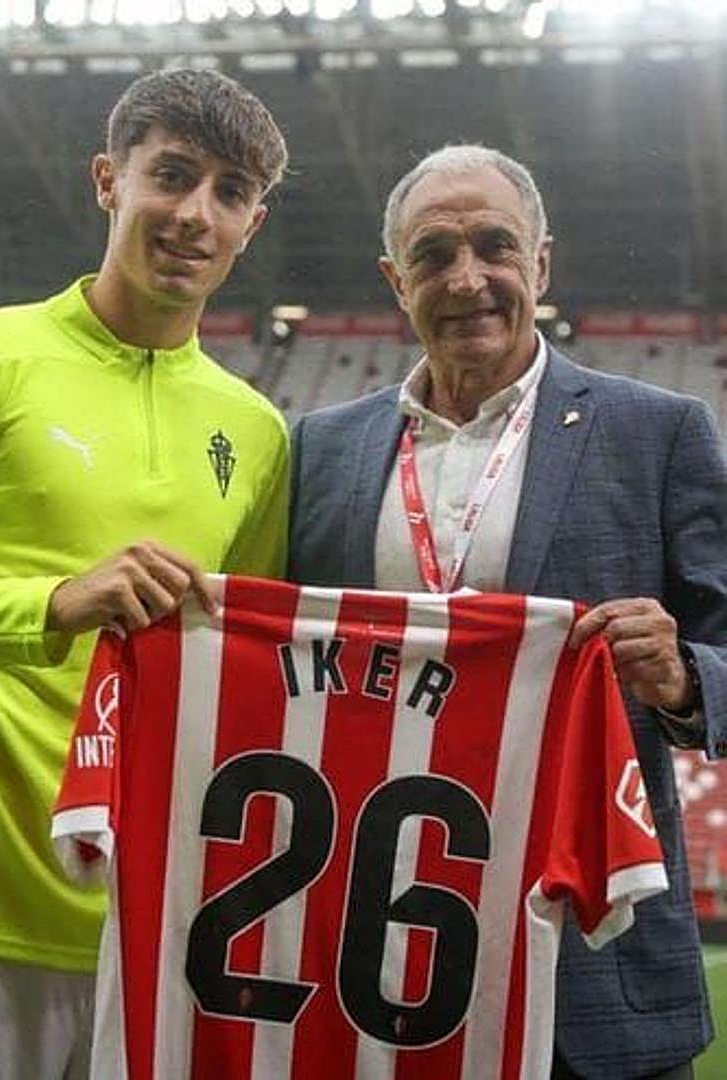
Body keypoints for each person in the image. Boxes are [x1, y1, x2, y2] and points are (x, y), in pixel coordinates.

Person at [288, 144, 727, 1079]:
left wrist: (683, 678)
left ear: (541, 264)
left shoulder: (658, 433)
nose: (467, 279)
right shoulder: (321, 449)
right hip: (374, 952)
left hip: (590, 959)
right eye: (434, 254)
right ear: (394, 280)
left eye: (494, 246)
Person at [0, 68, 289, 1079]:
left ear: (251, 226)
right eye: (172, 175)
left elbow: (245, 674)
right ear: (108, 180)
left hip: (154, 927)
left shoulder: (259, 433)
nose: (195, 215)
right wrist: (53, 603)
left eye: (229, 193)